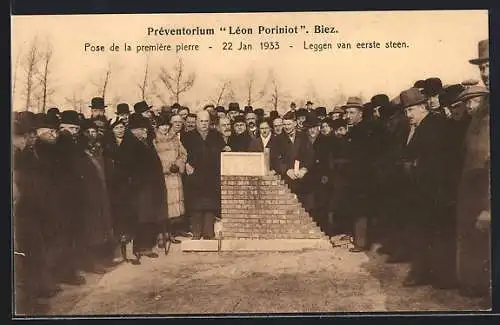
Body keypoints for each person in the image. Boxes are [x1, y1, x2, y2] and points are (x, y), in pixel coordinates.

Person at [395, 88, 450, 287]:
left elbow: (436, 159)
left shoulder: (434, 125)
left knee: (430, 232)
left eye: (411, 111)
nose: (408, 115)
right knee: (419, 231)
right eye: (405, 111)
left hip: (431, 190)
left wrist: (414, 165)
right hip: (416, 189)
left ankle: (430, 274)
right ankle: (422, 272)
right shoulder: (415, 126)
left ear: (422, 107)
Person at [456, 38, 491, 298]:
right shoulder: (482, 111)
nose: (486, 73)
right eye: (482, 68)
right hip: (476, 194)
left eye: (491, 65)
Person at [127, 114, 168, 262]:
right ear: (133, 130)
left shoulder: (146, 142)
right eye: (141, 129)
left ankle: (146, 245)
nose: (145, 131)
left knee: (149, 216)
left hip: (150, 185)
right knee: (141, 217)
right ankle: (140, 247)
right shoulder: (130, 144)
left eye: (145, 129)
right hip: (139, 187)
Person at [183, 111, 225, 239]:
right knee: (196, 205)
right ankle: (196, 232)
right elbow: (181, 153)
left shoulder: (216, 135)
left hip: (212, 175)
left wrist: (226, 149)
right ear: (196, 122)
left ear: (209, 122)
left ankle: (208, 233)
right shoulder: (188, 137)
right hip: (195, 175)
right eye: (201, 121)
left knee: (210, 205)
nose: (204, 124)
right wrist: (185, 164)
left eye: (206, 121)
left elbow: (222, 150)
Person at [154, 114, 188, 245]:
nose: (164, 128)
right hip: (162, 178)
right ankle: (160, 235)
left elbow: (183, 153)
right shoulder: (154, 140)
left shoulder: (174, 139)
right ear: (157, 126)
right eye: (162, 126)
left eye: (166, 125)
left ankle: (170, 233)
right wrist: (166, 168)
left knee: (173, 208)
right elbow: (153, 159)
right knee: (163, 206)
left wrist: (178, 164)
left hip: (174, 177)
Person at [270, 111, 314, 209]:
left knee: (305, 211)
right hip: (287, 182)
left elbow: (310, 156)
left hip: (303, 182)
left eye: (289, 124)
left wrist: (304, 169)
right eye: (284, 124)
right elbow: (274, 159)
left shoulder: (304, 136)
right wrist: (286, 170)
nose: (287, 127)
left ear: (295, 123)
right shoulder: (277, 139)